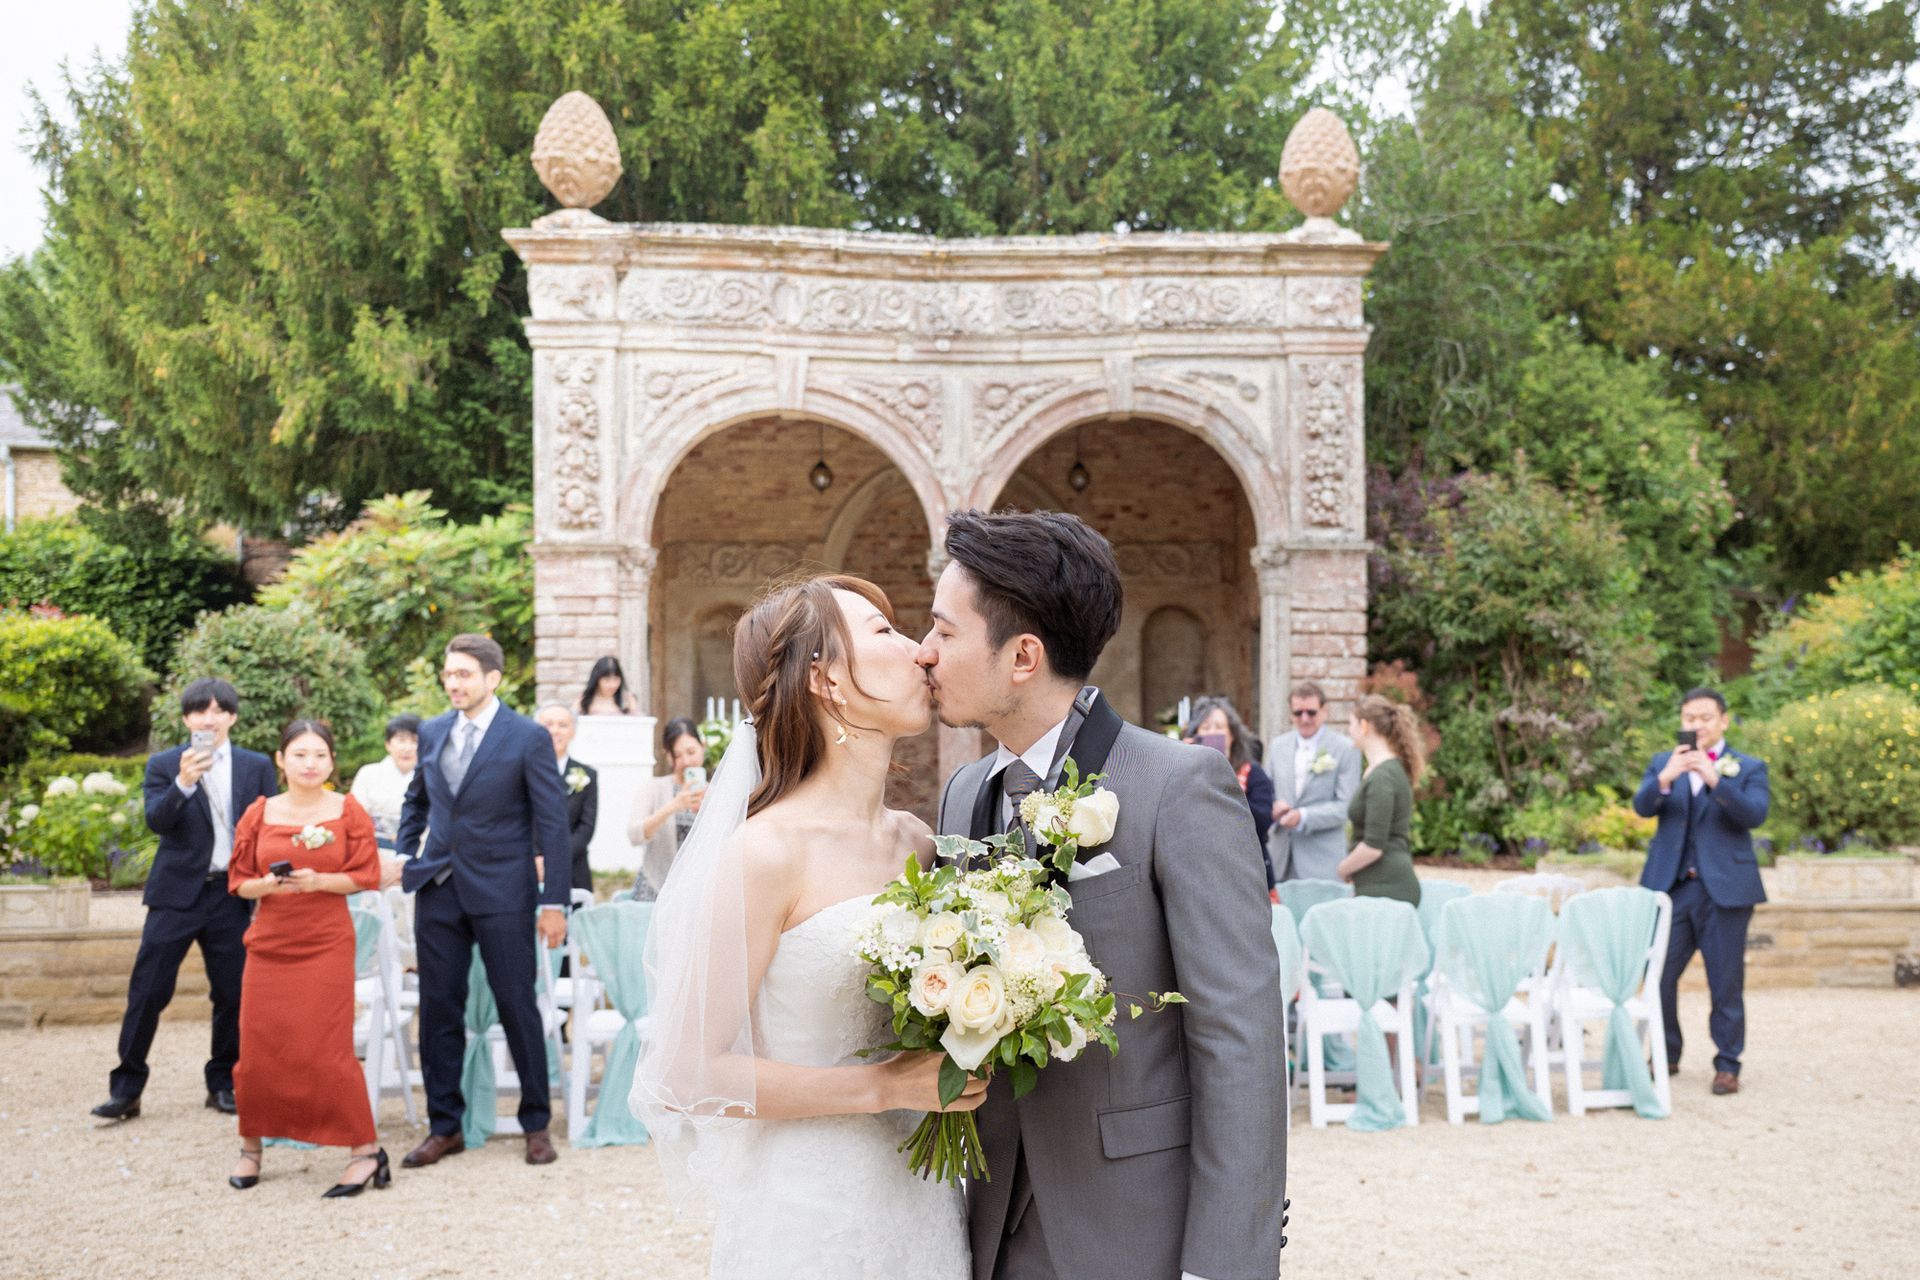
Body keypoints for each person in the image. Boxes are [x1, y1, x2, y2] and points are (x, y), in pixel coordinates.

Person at [920, 509, 1287, 1280]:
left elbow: (1239, 1038)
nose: (924, 654)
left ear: (1022, 655)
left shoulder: (1178, 788)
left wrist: (1223, 1265)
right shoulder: (961, 796)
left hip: (1135, 1226)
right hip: (989, 1225)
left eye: (944, 633)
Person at [632, 575, 982, 1277]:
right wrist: (885, 1087)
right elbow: (686, 1074)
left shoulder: (918, 841)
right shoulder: (766, 853)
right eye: (885, 633)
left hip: (923, 1198)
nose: (921, 652)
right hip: (810, 1209)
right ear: (824, 679)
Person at [395, 634, 574, 1169]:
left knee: (518, 1006)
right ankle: (444, 1126)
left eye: (464, 675)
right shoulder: (430, 731)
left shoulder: (526, 737)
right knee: (439, 1010)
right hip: (439, 890)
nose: (454, 683)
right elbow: (417, 800)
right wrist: (406, 854)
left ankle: (536, 1123)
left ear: (492, 678)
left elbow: (552, 824)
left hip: (504, 891)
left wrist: (553, 902)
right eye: (448, 674)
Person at [92, 679, 278, 1122]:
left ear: (233, 716)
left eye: (218, 710)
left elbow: (269, 826)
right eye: (198, 711)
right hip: (175, 895)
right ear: (185, 719)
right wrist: (183, 783)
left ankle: (222, 1083)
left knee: (232, 995)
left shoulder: (255, 766)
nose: (208, 718)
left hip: (231, 895)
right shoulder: (164, 764)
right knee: (148, 991)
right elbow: (157, 821)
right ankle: (126, 1089)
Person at [226, 720, 387, 1196]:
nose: (310, 763)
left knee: (328, 1049)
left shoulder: (347, 810)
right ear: (281, 760)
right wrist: (269, 885)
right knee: (258, 1049)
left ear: (332, 762)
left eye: (319, 755)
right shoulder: (260, 812)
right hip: (270, 943)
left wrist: (319, 881)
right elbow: (239, 882)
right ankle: (251, 1147)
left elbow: (366, 874)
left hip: (326, 942)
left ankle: (365, 1151)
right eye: (300, 754)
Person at [1632, 687, 1769, 1097]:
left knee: (1725, 981)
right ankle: (1665, 1052)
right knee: (1658, 976)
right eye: (1689, 718)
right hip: (1672, 888)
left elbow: (1754, 814)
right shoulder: (1663, 764)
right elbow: (1642, 807)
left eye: (1705, 718)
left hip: (1725, 891)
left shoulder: (1747, 767)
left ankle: (1728, 1064)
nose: (1697, 726)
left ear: (1723, 720)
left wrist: (1713, 779)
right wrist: (1667, 777)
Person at [1270, 682, 1362, 884]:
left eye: (1311, 712)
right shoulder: (1277, 746)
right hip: (1281, 858)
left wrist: (1303, 817)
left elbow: (1346, 807)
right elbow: (1268, 793)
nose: (1304, 719)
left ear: (1324, 711)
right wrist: (1274, 808)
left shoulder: (1345, 749)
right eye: (1297, 713)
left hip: (1323, 861)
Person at [1337, 695, 1424, 905]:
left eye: (1351, 724)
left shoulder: (1382, 777)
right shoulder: (1382, 770)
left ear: (1364, 726)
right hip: (1377, 883)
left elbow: (1373, 846)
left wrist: (1343, 869)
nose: (1349, 731)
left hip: (1388, 887)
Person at [1183, 695, 1276, 888]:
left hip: (1246, 873)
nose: (1212, 733)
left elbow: (1262, 822)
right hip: (1201, 873)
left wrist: (1220, 778)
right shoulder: (1186, 775)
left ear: (1231, 735)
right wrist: (1181, 761)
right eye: (1206, 728)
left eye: (1218, 728)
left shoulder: (1253, 773)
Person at [627, 716, 707, 901]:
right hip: (655, 890)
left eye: (691, 751)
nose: (686, 760)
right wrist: (674, 805)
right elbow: (634, 835)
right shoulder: (654, 788)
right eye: (677, 755)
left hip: (699, 893)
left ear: (703, 747)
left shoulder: (716, 792)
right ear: (668, 756)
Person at [535, 702, 599, 901]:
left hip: (573, 870)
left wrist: (556, 859)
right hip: (529, 869)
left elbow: (586, 828)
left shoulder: (587, 775)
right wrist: (536, 857)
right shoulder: (522, 771)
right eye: (548, 724)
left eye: (563, 725)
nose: (555, 730)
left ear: (573, 731)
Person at [349, 713, 422, 854]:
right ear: (388, 744)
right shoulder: (368, 773)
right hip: (373, 852)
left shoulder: (430, 777)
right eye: (401, 740)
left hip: (418, 853)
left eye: (414, 741)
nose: (407, 748)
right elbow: (355, 818)